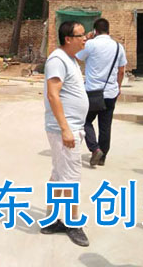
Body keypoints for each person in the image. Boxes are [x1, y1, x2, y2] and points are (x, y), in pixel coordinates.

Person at [41, 20, 89, 247]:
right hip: (65, 130)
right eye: (81, 35)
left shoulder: (70, 59)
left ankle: (52, 219)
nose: (85, 39)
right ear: (68, 39)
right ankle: (72, 223)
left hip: (70, 127)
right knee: (70, 177)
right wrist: (65, 129)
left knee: (59, 175)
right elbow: (53, 95)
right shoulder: (58, 60)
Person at [76, 18, 127, 167]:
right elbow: (121, 70)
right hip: (111, 92)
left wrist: (87, 39)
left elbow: (77, 57)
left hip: (92, 92)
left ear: (95, 31)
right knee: (105, 126)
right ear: (108, 30)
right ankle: (102, 157)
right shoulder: (118, 47)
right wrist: (118, 87)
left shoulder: (90, 44)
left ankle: (95, 149)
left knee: (84, 121)